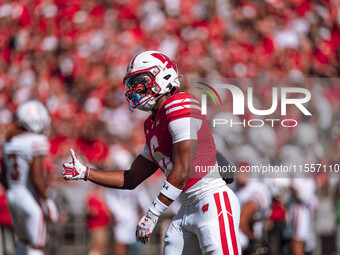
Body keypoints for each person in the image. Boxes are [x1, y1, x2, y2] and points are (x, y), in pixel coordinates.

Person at [63, 50, 241, 254]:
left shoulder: (180, 104)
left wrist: (152, 213)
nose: (134, 89)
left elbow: (182, 172)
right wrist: (86, 173)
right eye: (131, 85)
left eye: (140, 80)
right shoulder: (151, 124)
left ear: (163, 76)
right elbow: (131, 178)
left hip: (211, 198)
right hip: (186, 206)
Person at [0, 100, 59, 255]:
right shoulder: (36, 141)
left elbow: (4, 176)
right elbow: (37, 177)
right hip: (28, 196)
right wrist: (47, 200)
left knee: (23, 241)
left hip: (12, 195)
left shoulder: (8, 141)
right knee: (37, 244)